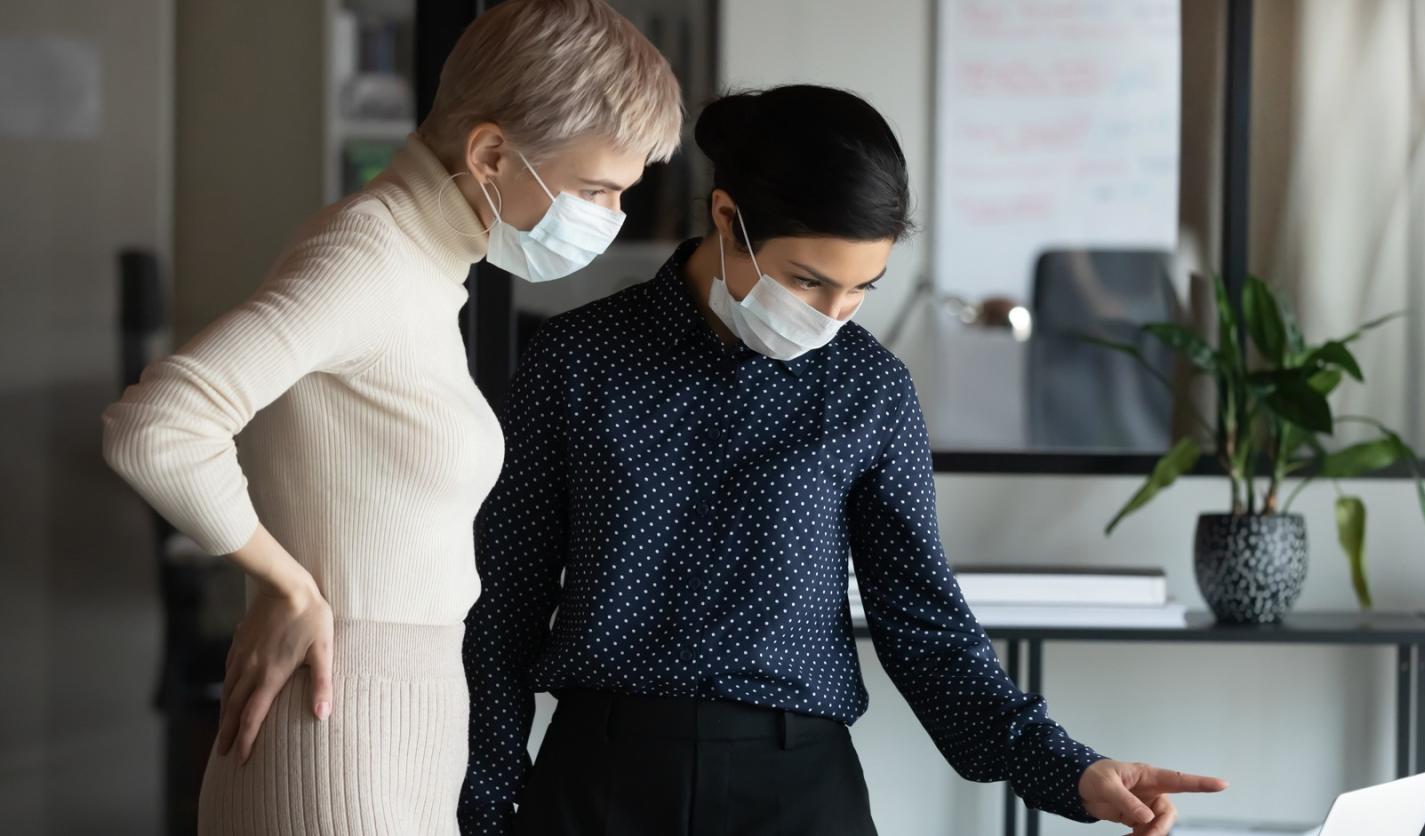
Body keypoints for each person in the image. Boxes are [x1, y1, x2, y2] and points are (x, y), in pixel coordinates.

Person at [460, 84, 1226, 836]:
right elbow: (504, 601)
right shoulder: (576, 359)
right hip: (600, 782)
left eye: (862, 289)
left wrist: (1066, 769)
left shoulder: (870, 388)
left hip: (797, 789)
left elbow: (923, 621)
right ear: (727, 219)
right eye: (807, 281)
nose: (832, 316)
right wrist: (486, 804)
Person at [101, 2, 681, 832]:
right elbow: (157, 426)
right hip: (338, 716)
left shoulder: (425, 263)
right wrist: (284, 581)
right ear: (489, 153)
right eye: (597, 190)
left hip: (401, 705)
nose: (612, 216)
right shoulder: (368, 255)